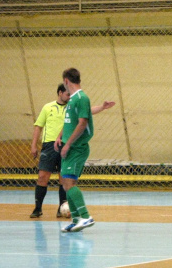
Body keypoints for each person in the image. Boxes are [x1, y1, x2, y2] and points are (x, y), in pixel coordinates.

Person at [30, 84, 115, 218]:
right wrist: (33, 145)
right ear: (60, 93)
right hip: (49, 145)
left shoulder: (73, 106)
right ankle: (37, 208)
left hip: (66, 144)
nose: (70, 97)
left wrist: (102, 107)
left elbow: (89, 111)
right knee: (42, 177)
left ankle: (62, 207)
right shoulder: (48, 107)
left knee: (64, 178)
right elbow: (38, 126)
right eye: (67, 94)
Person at [56, 68, 97, 232]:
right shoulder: (73, 100)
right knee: (66, 183)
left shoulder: (81, 98)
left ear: (66, 81)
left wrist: (67, 145)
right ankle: (76, 219)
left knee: (69, 183)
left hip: (76, 148)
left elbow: (82, 122)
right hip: (69, 147)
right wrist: (60, 137)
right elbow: (70, 122)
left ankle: (86, 216)